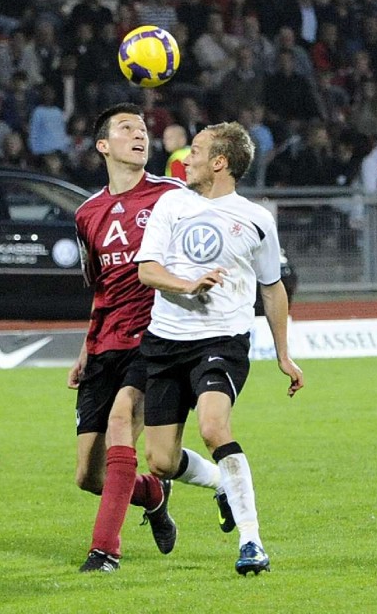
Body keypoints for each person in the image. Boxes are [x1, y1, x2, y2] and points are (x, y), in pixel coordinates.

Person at [68, 103, 234, 573]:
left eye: (143, 129)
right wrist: (85, 350)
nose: (140, 135)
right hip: (105, 345)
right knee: (89, 476)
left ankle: (104, 551)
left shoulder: (172, 196)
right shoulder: (86, 214)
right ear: (103, 145)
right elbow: (100, 287)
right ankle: (154, 493)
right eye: (127, 129)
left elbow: (210, 233)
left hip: (156, 337)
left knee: (123, 418)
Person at [135, 122, 304, 576]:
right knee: (161, 461)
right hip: (166, 340)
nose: (185, 159)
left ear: (219, 162)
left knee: (213, 428)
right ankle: (221, 484)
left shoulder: (256, 219)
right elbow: (148, 271)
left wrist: (284, 354)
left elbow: (273, 289)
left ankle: (252, 542)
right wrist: (187, 285)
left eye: (195, 152)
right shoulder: (171, 203)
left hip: (222, 340)